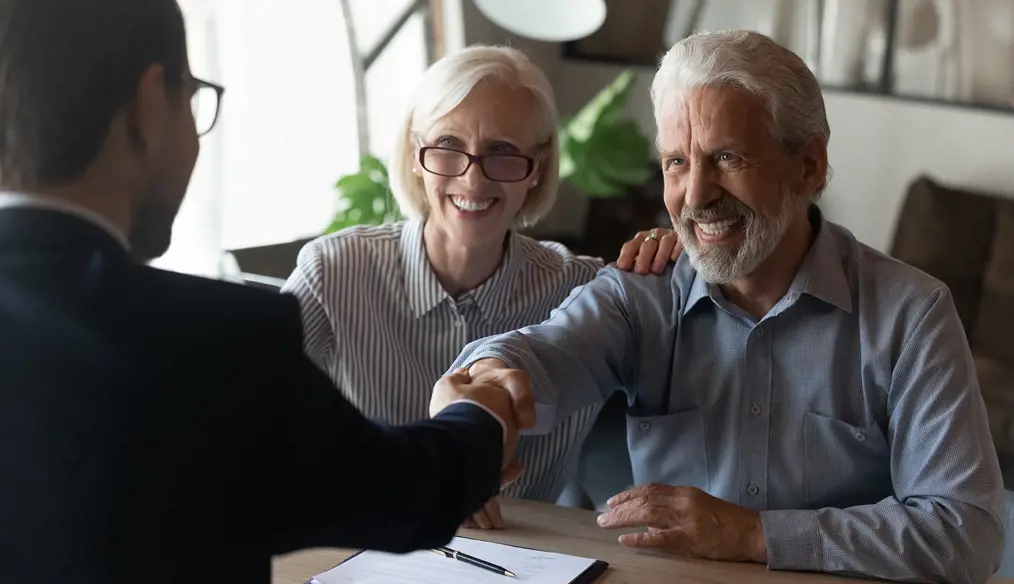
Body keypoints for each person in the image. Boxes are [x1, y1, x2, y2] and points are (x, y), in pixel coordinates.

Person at [0, 2, 536, 583]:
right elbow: (408, 494)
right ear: (150, 103)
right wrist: (480, 416)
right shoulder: (214, 344)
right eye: (195, 99)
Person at [448, 30, 1005, 584]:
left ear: (808, 166)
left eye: (727, 158)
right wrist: (487, 381)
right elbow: (541, 354)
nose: (694, 196)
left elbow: (966, 535)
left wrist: (750, 533)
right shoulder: (641, 290)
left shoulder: (912, 315)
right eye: (676, 163)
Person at [280, 44, 681, 529]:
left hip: (526, 557)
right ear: (413, 153)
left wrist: (686, 249)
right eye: (447, 146)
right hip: (368, 539)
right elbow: (257, 424)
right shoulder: (333, 271)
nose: (472, 179)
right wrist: (422, 479)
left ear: (537, 167)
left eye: (503, 152)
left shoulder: (582, 289)